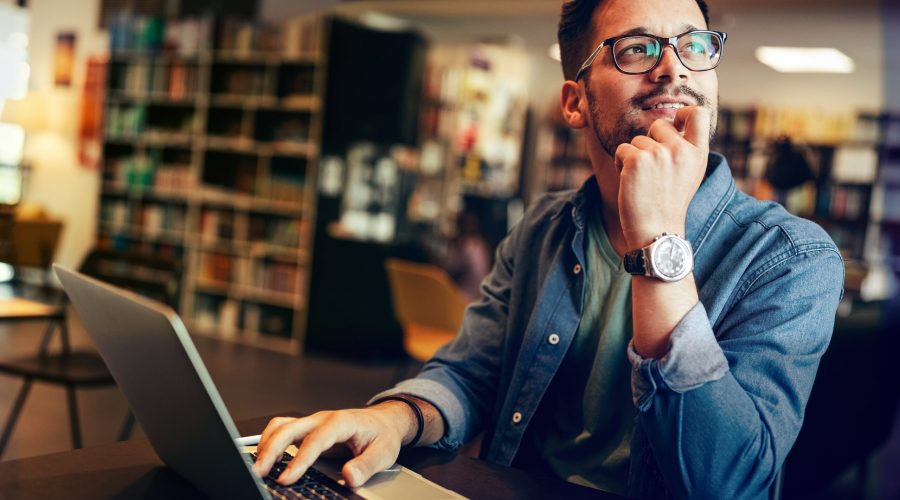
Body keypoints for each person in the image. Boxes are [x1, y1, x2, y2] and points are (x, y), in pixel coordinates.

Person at [253, 0, 845, 498]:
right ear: (574, 101)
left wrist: (658, 240)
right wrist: (393, 416)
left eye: (695, 45)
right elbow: (472, 371)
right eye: (637, 48)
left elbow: (732, 484)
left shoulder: (791, 258)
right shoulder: (543, 226)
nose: (673, 68)